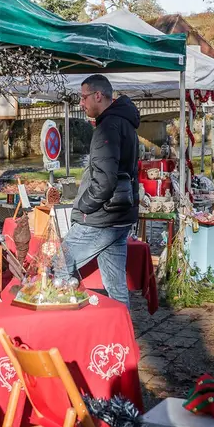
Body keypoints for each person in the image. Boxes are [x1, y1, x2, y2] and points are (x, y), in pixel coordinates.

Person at [61, 74, 140, 304]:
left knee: (57, 266)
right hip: (120, 215)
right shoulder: (125, 123)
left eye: (83, 97)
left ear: (98, 95)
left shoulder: (108, 127)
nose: (81, 103)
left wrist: (84, 207)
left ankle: (63, 330)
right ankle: (122, 337)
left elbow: (104, 181)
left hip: (101, 218)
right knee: (115, 288)